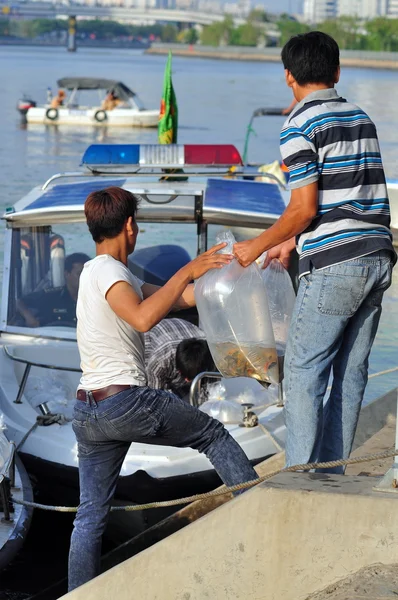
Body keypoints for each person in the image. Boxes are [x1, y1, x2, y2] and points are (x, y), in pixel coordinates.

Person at [68, 186, 258, 591]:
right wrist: (187, 269)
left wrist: (224, 273)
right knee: (212, 433)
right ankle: (260, 513)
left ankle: (78, 595)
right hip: (124, 401)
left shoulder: (97, 272)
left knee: (89, 515)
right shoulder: (110, 273)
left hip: (88, 411)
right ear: (131, 226)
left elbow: (178, 299)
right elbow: (143, 319)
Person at [233, 31, 396, 474]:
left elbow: (303, 207)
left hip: (336, 266)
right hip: (378, 256)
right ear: (337, 72)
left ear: (288, 76)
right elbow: (346, 201)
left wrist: (257, 245)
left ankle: (300, 475)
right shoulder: (361, 117)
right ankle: (329, 472)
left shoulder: (298, 126)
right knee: (350, 373)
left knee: (304, 372)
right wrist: (291, 241)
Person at [144, 317, 215, 398]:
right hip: (153, 338)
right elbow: (156, 397)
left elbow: (209, 389)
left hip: (182, 331)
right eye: (184, 376)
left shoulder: (212, 354)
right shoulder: (158, 361)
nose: (186, 380)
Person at [17, 253, 90, 328]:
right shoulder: (51, 296)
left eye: (87, 274)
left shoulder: (95, 299)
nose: (84, 278)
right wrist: (29, 318)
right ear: (67, 274)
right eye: (79, 274)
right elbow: (20, 302)